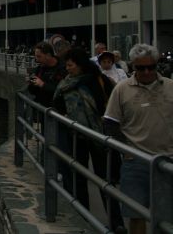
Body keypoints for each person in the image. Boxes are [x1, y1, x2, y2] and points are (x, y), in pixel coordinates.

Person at [104, 43, 173, 234]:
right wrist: (125, 151)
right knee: (136, 214)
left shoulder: (170, 87)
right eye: (140, 68)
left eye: (151, 67)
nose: (147, 72)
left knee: (166, 216)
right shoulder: (122, 89)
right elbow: (110, 123)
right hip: (135, 162)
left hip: (167, 161)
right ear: (133, 66)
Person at [53, 48, 122, 230]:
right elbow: (57, 106)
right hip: (76, 136)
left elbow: (113, 105)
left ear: (80, 65)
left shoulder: (99, 81)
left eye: (70, 65)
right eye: (66, 65)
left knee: (105, 180)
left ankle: (116, 223)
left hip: (100, 136)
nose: (67, 69)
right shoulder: (65, 85)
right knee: (79, 176)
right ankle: (84, 218)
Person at [27, 41, 67, 107]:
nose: (36, 60)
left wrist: (42, 84)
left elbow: (61, 91)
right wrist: (31, 83)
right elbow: (33, 92)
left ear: (48, 56)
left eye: (39, 56)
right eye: (36, 56)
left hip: (54, 110)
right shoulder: (39, 68)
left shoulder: (63, 68)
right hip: (41, 108)